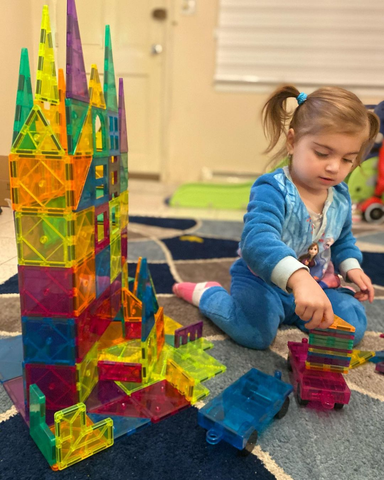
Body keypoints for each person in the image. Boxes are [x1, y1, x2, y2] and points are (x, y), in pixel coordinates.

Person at [173, 85, 379, 348]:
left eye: (347, 160)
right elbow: (256, 241)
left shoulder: (339, 194)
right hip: (263, 282)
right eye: (322, 153)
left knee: (351, 326)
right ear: (292, 142)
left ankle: (301, 313)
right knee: (253, 334)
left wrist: (352, 267)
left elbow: (342, 239)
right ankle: (208, 294)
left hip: (317, 285)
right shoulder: (272, 188)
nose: (334, 167)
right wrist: (299, 278)